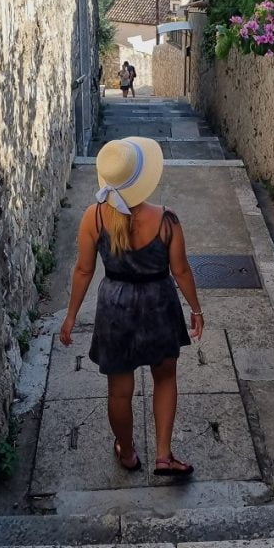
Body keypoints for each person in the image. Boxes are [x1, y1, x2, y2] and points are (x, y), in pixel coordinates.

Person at [60, 137, 203, 476]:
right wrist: (196, 310)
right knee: (165, 377)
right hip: (159, 305)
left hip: (115, 308)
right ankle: (164, 456)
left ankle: (127, 452)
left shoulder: (94, 218)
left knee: (119, 391)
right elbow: (181, 271)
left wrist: (70, 317)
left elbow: (83, 270)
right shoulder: (167, 221)